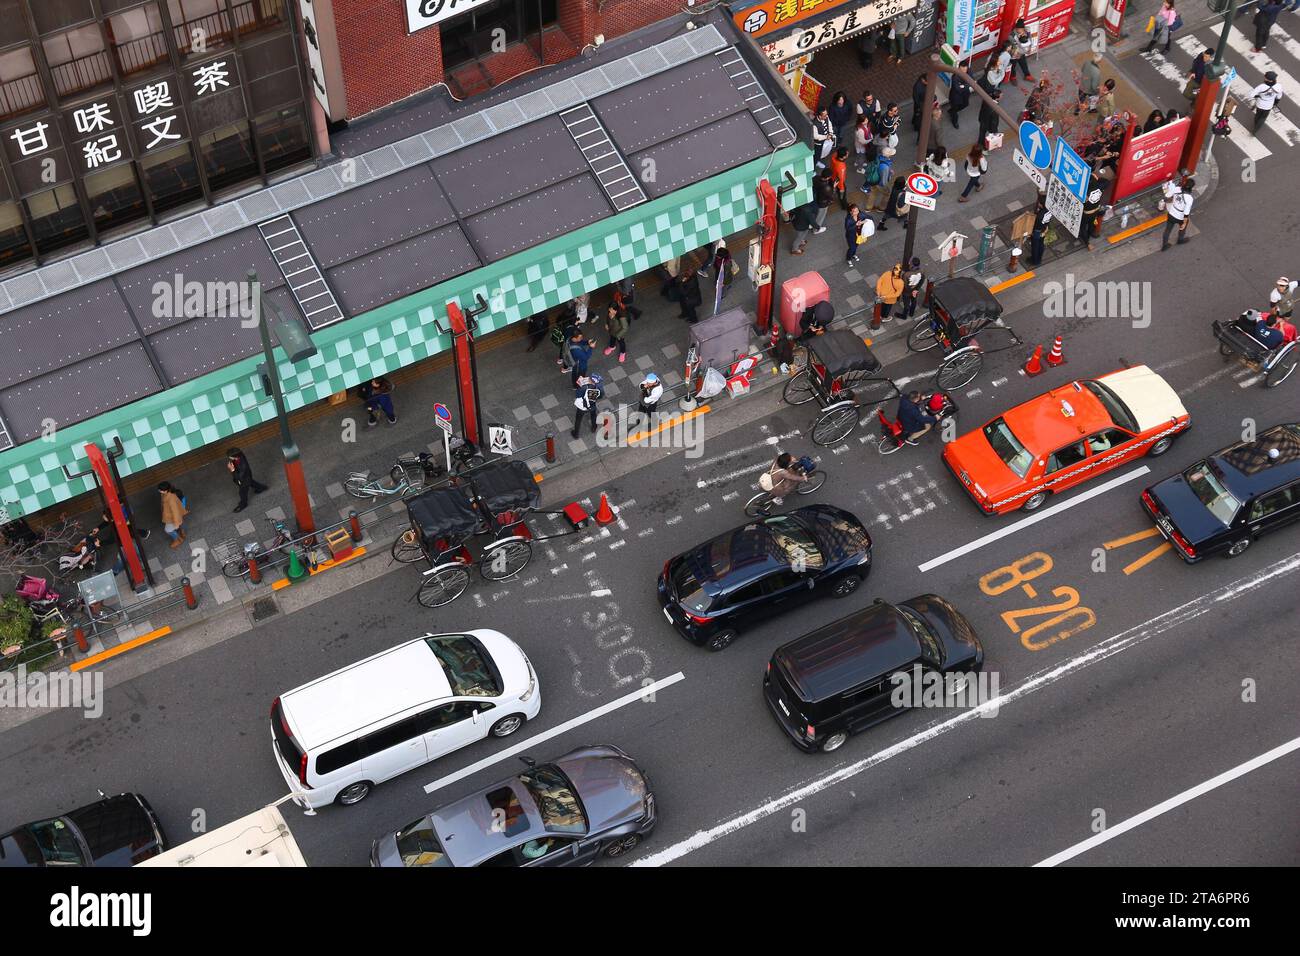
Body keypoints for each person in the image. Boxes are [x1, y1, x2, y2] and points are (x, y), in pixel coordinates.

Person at [227, 447, 267, 514]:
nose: (229, 457)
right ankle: (262, 487)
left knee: (242, 493)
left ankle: (243, 504)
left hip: (244, 480)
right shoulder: (239, 456)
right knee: (251, 482)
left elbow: (239, 476)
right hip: (247, 477)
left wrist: (232, 470)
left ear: (235, 457)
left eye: (230, 456)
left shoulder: (243, 466)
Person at [1160, 176, 1194, 250]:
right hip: (1180, 217)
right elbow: (1186, 212)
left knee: (1168, 230)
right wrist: (1184, 223)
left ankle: (1164, 245)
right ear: (1191, 188)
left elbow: (1166, 196)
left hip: (1171, 213)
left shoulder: (1176, 189)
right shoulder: (1189, 198)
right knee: (1182, 228)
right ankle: (1180, 240)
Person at [158, 482, 188, 549]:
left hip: (172, 517)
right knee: (180, 522)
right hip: (172, 514)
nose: (159, 491)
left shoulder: (171, 499)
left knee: (168, 530)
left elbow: (175, 512)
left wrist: (176, 523)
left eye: (160, 490)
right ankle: (182, 533)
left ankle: (178, 540)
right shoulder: (165, 494)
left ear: (166, 490)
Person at [1028, 194, 1053, 266]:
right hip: (1044, 228)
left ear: (1042, 204)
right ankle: (1039, 258)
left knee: (1035, 246)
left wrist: (1031, 233)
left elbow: (1035, 225)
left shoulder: (1039, 215)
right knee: (1041, 244)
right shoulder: (1049, 210)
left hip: (1037, 231)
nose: (1038, 203)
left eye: (1039, 203)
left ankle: (1035, 261)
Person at [1081, 187, 1105, 252]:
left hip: (1087, 214)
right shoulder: (1099, 192)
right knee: (1091, 224)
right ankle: (1090, 234)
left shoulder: (1086, 196)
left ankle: (1087, 243)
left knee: (1082, 227)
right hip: (1095, 213)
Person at [812, 167, 835, 233]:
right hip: (822, 204)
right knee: (820, 216)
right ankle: (816, 229)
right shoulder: (827, 188)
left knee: (815, 213)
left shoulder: (815, 178)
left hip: (814, 200)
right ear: (828, 177)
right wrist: (833, 188)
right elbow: (831, 197)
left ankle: (811, 223)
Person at [911, 73, 927, 139]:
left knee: (917, 116)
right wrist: (920, 106)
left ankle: (913, 121)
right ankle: (915, 126)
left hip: (922, 103)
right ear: (923, 80)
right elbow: (916, 98)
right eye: (927, 82)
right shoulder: (917, 87)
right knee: (917, 116)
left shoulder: (923, 84)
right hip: (919, 105)